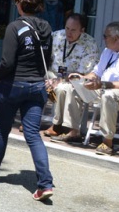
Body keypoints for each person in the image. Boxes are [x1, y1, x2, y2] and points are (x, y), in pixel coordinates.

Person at [0, 0, 55, 201]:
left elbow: (7, 62)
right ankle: (45, 183)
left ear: (20, 4)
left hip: (14, 85)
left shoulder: (14, 27)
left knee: (2, 130)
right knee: (32, 134)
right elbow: (47, 59)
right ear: (38, 5)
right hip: (37, 86)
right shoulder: (47, 28)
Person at [68, 22, 119, 156]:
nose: (103, 39)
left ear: (117, 38)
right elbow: (97, 73)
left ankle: (107, 141)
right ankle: (73, 131)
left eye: (105, 36)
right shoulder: (108, 51)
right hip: (105, 88)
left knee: (109, 95)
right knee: (75, 87)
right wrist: (82, 78)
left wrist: (104, 85)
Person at [42, 13, 99, 141]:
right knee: (38, 79)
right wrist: (50, 79)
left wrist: (59, 80)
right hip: (53, 74)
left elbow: (82, 74)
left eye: (73, 30)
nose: (69, 32)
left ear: (82, 30)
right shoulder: (56, 36)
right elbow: (45, 60)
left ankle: (58, 125)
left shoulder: (89, 44)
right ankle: (59, 126)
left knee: (64, 88)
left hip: (74, 79)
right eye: (67, 28)